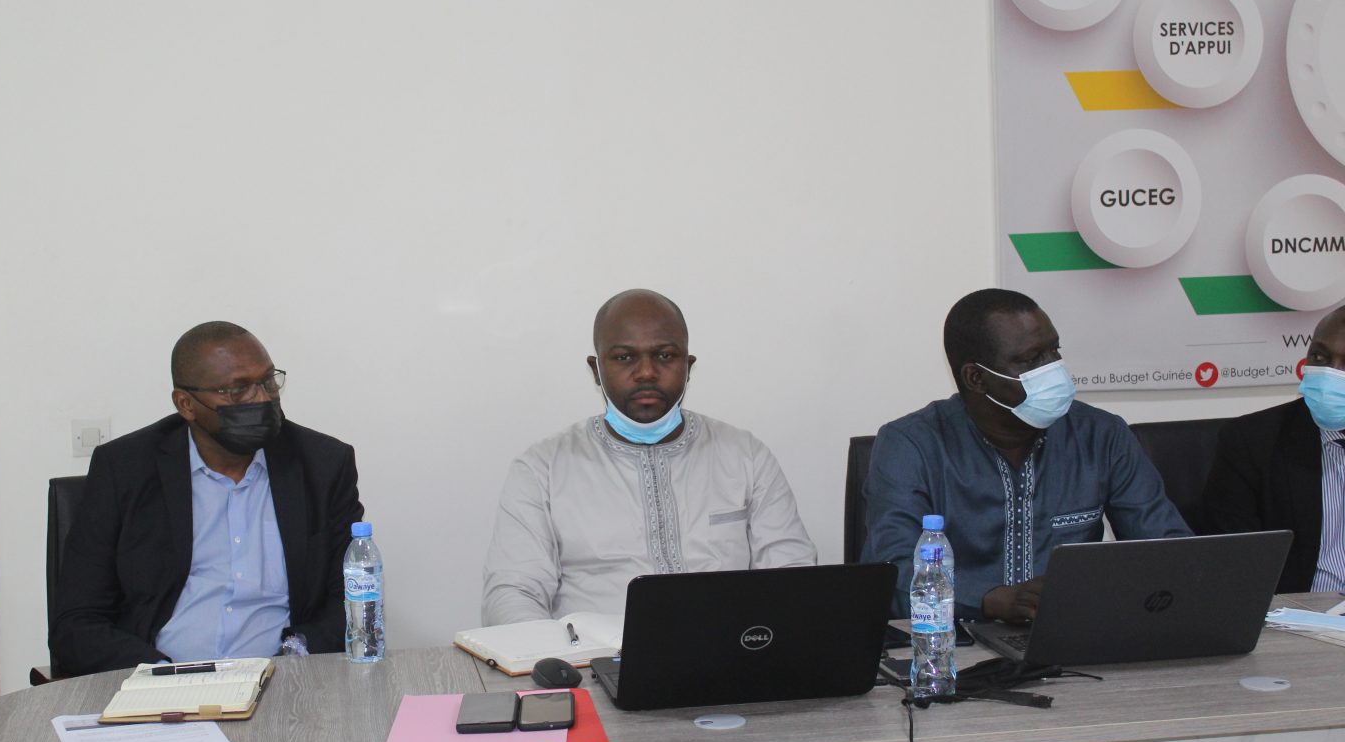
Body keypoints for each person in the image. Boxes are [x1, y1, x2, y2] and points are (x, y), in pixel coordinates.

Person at [481, 288, 817, 625]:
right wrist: (555, 654)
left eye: (665, 355)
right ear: (596, 369)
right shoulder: (543, 468)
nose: (646, 372)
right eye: (624, 357)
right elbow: (513, 594)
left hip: (727, 651)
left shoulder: (746, 456)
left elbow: (793, 575)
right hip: (594, 655)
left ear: (688, 366)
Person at [49, 322, 364, 676]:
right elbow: (76, 621)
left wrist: (294, 657)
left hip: (281, 681)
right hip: (159, 683)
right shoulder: (125, 469)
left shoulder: (322, 465)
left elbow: (352, 599)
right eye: (237, 390)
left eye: (268, 382)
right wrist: (160, 674)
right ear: (186, 404)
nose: (261, 399)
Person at [862, 288, 1188, 622]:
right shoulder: (911, 445)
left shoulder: (1101, 436)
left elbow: (1170, 552)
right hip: (952, 641)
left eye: (1054, 350)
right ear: (976, 378)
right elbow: (893, 571)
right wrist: (989, 599)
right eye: (1031, 360)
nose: (1054, 368)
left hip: (1072, 632)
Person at [1199, 306, 1345, 592]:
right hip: (1299, 610)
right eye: (1320, 357)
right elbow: (1230, 562)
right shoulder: (1251, 441)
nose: (1331, 374)